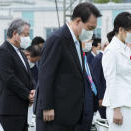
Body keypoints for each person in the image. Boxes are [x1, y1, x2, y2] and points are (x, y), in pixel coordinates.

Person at [36, 2, 101, 131]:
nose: (91, 33)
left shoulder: (76, 41)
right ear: (78, 21)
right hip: (55, 115)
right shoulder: (58, 39)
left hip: (72, 114)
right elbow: (46, 75)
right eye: (89, 28)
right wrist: (47, 106)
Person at [102, 12, 131, 131]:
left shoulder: (126, 49)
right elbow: (111, 81)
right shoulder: (111, 51)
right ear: (121, 29)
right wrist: (116, 109)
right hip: (119, 106)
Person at [0, 19, 35, 131]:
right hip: (9, 111)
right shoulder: (3, 51)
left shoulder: (20, 52)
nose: (28, 38)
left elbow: (28, 76)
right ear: (15, 33)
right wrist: (27, 94)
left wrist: (33, 90)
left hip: (22, 110)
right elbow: (9, 79)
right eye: (25, 34)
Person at [75, 40, 98, 131]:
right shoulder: (76, 59)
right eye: (88, 40)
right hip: (80, 110)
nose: (90, 43)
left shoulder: (85, 58)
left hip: (89, 106)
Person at [91, 42, 109, 119]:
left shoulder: (105, 57)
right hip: (102, 97)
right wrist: (100, 97)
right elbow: (96, 79)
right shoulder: (98, 58)